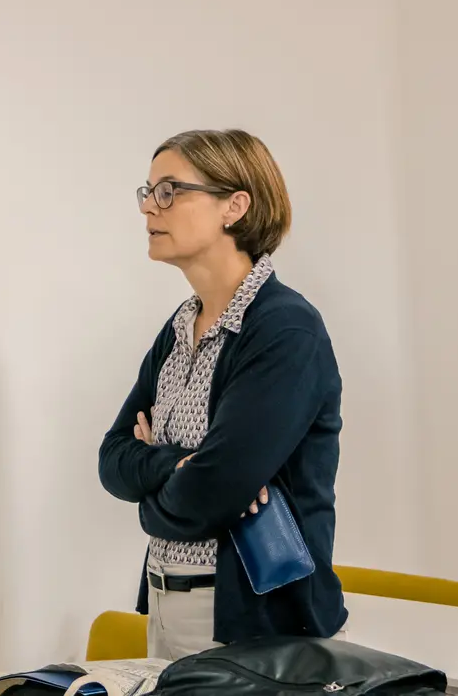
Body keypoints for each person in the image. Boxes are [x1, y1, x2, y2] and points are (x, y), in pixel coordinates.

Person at [97, 128, 347, 661]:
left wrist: (153, 498)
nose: (148, 207)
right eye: (148, 192)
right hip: (166, 603)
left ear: (234, 206)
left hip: (253, 622)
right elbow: (112, 459)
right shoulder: (180, 326)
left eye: (169, 191)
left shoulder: (284, 330)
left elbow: (211, 492)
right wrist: (176, 464)